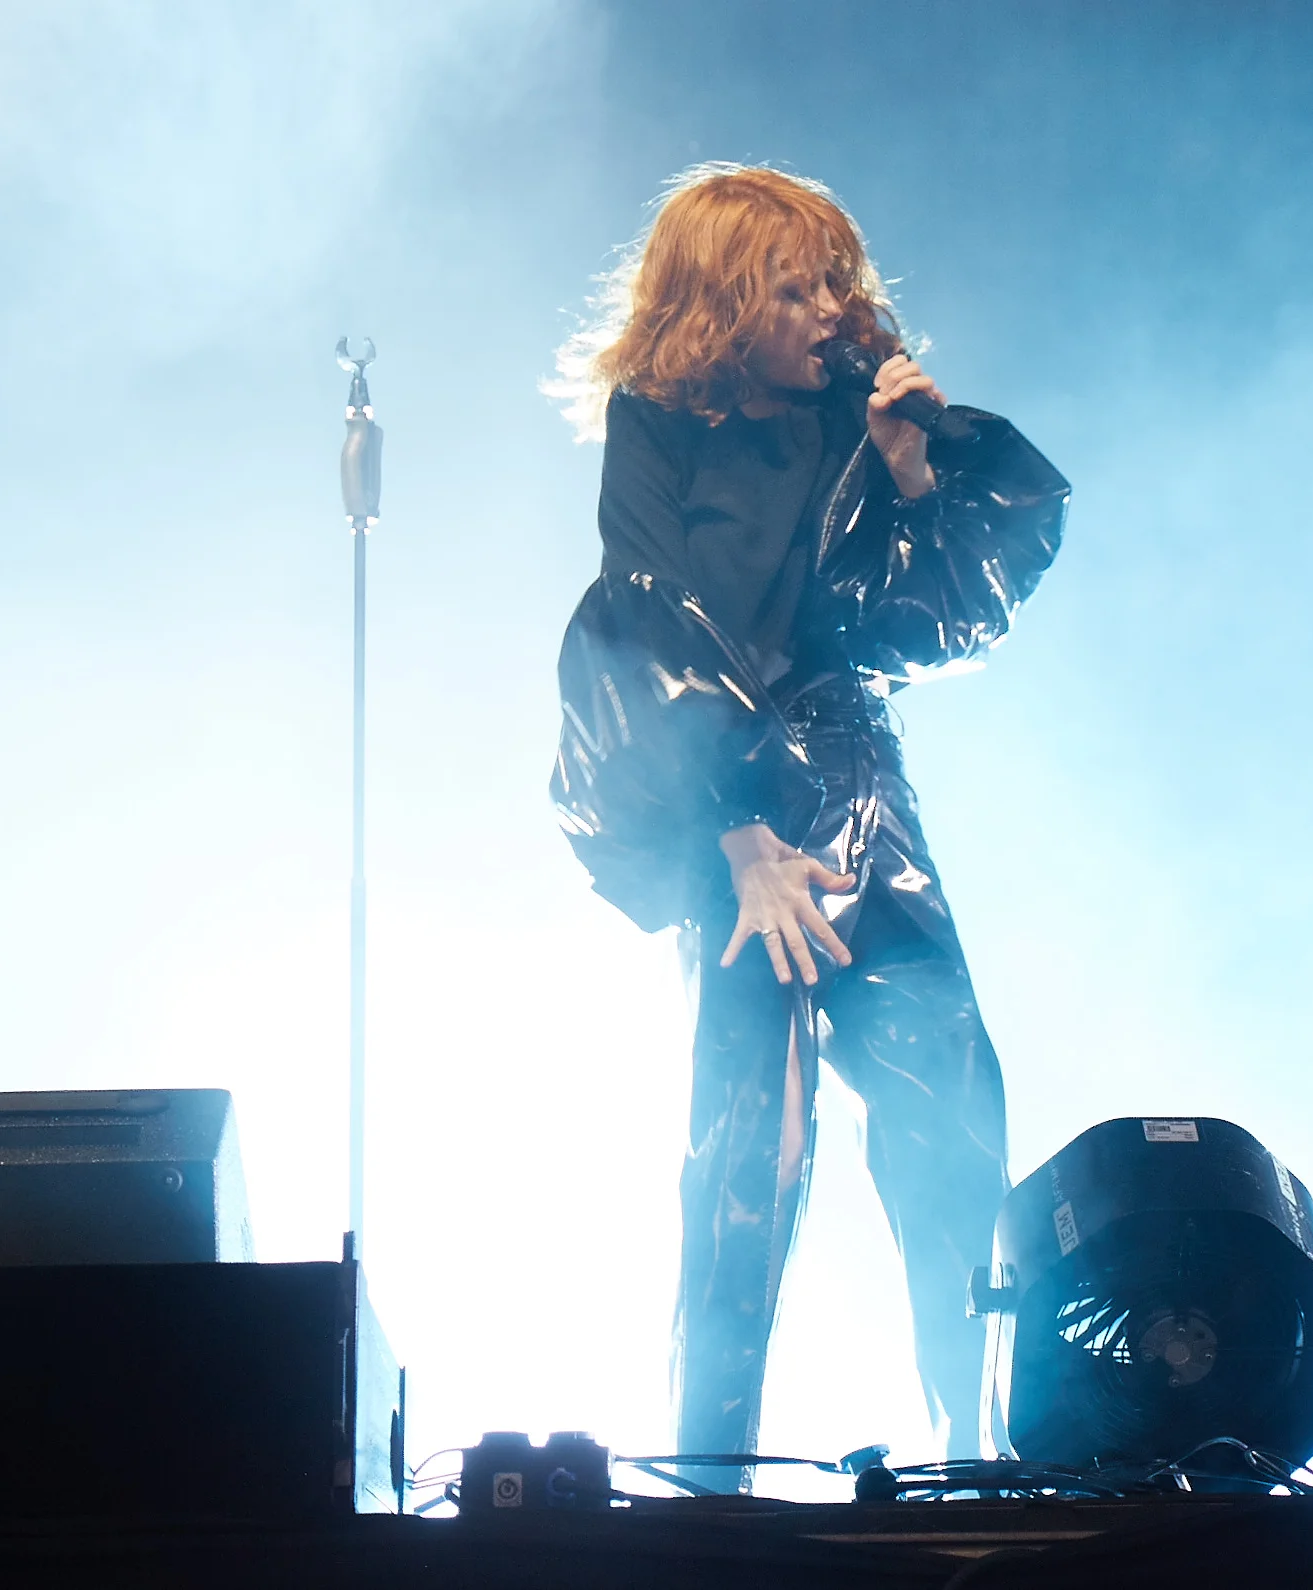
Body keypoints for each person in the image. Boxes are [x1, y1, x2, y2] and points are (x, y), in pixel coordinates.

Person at [547, 165, 1069, 1479]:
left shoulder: (856, 419)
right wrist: (732, 835)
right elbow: (647, 617)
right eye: (796, 285)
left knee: (945, 1099)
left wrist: (917, 466)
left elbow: (936, 616)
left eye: (837, 279)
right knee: (751, 1145)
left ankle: (982, 1442)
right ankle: (709, 1470)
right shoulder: (658, 420)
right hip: (722, 795)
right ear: (725, 300)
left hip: (850, 783)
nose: (829, 308)